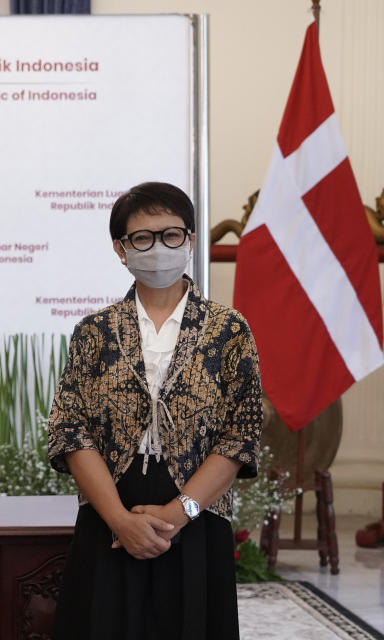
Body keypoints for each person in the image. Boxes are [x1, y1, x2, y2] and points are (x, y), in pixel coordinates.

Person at [47, 182, 263, 639]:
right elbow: (70, 429)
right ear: (120, 249)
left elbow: (240, 435)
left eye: (171, 235)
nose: (159, 248)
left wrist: (176, 513)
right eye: (143, 238)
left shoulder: (229, 329)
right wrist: (121, 521)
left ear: (189, 241)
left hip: (196, 515)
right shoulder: (94, 331)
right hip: (109, 513)